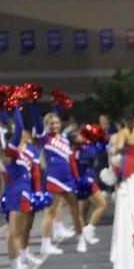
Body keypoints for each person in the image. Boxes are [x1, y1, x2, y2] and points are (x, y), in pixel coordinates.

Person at [33, 106, 87, 254]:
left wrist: (76, 179)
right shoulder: (44, 138)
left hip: (68, 179)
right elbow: (37, 123)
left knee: (75, 212)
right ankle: (45, 245)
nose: (55, 125)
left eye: (57, 122)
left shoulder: (64, 139)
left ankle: (81, 240)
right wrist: (34, 103)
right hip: (53, 178)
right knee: (50, 212)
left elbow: (71, 161)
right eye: (51, 123)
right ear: (46, 125)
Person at [2, 107, 42, 269]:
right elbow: (18, 128)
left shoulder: (23, 152)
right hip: (15, 193)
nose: (23, 134)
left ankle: (17, 264)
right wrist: (14, 107)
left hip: (24, 192)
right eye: (20, 134)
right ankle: (15, 266)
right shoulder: (10, 150)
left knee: (20, 231)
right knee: (13, 232)